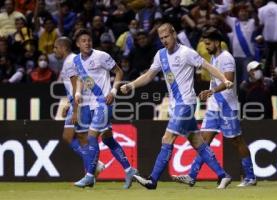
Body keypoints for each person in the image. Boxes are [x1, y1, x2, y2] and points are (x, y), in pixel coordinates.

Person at [120, 23, 233, 190]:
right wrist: (131, 85)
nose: (164, 40)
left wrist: (224, 80)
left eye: (167, 36)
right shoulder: (160, 55)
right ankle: (223, 175)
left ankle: (152, 180)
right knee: (197, 142)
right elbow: (149, 76)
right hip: (176, 105)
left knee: (167, 138)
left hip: (186, 103)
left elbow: (208, 67)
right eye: (161, 38)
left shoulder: (187, 53)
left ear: (173, 34)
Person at [172, 28, 257, 187]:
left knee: (237, 141)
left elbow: (229, 81)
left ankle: (250, 177)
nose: (206, 47)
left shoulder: (227, 58)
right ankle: (192, 175)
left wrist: (212, 91)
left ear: (217, 43)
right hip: (214, 107)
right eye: (205, 43)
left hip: (227, 106)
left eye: (208, 43)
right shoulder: (213, 58)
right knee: (203, 141)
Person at [72, 29, 138, 189]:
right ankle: (129, 170)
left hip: (104, 103)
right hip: (91, 104)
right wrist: (78, 92)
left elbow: (119, 72)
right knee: (108, 139)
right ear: (78, 44)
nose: (87, 43)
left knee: (91, 137)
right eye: (83, 41)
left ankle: (89, 175)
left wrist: (113, 91)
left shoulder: (101, 56)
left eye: (89, 40)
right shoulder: (76, 60)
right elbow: (80, 78)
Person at [53, 36, 105, 181]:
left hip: (81, 104)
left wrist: (75, 109)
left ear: (63, 47)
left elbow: (78, 86)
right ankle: (90, 172)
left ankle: (93, 169)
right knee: (79, 138)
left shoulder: (71, 61)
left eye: (56, 47)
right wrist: (69, 104)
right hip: (78, 103)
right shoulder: (71, 61)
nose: (54, 51)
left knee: (73, 137)